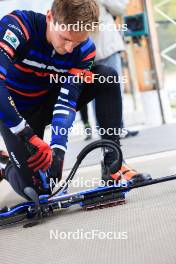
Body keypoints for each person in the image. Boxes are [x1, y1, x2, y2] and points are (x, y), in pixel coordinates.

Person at [0, 0, 151, 201]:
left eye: (77, 42)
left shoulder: (85, 49)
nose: (70, 49)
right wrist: (25, 133)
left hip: (47, 103)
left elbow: (67, 98)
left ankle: (113, 164)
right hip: (14, 112)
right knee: (40, 193)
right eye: (64, 38)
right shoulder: (17, 26)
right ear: (50, 17)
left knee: (107, 75)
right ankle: (4, 165)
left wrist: (58, 149)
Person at [92, 0, 139, 138]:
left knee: (95, 94)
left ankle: (106, 132)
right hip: (107, 48)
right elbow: (120, 8)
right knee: (116, 90)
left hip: (89, 51)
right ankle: (118, 129)